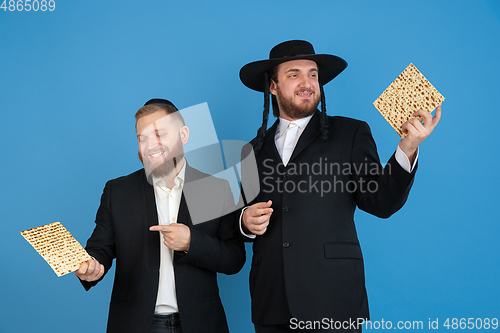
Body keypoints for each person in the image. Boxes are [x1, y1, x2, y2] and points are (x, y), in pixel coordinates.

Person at [238, 40, 441, 332]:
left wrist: (407, 149)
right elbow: (239, 224)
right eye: (294, 74)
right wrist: (245, 221)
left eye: (313, 74)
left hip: (334, 299)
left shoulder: (351, 132)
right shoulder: (250, 151)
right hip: (272, 300)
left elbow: (381, 203)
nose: (307, 83)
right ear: (273, 86)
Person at [75, 98, 245, 333]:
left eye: (160, 134)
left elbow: (234, 258)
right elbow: (100, 249)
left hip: (200, 323)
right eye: (142, 138)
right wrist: (91, 266)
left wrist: (192, 243)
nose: (150, 145)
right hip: (135, 324)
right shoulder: (118, 191)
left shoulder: (216, 189)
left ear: (183, 134)